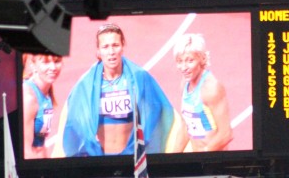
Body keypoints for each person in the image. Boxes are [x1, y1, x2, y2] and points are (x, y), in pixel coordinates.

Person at [54, 23, 185, 156]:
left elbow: (160, 110)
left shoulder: (139, 78)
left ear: (122, 46)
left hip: (131, 158)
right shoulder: (87, 84)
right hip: (100, 158)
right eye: (105, 47)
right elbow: (73, 122)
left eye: (115, 45)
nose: (111, 52)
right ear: (98, 51)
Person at [173, 33, 233, 152]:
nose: (184, 67)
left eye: (190, 61)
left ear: (203, 58)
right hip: (198, 159)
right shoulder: (185, 84)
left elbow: (226, 134)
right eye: (179, 61)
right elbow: (186, 126)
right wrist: (171, 158)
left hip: (214, 162)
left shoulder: (211, 88)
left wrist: (204, 155)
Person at [22, 53, 63, 158]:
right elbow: (25, 151)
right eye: (46, 62)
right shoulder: (29, 98)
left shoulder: (47, 93)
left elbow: (41, 143)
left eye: (57, 61)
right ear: (33, 65)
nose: (53, 67)